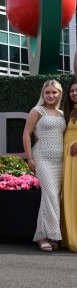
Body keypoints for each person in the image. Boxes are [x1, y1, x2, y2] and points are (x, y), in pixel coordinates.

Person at [22, 80, 65, 251]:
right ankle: (43, 237)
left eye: (54, 92)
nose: (51, 95)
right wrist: (29, 158)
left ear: (60, 94)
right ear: (42, 93)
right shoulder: (37, 111)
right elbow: (26, 134)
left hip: (60, 161)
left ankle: (46, 235)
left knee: (54, 197)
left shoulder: (62, 114)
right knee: (51, 195)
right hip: (42, 159)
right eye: (47, 92)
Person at [61, 79, 77, 252]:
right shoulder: (69, 112)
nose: (74, 93)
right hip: (66, 156)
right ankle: (69, 236)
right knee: (69, 195)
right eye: (72, 91)